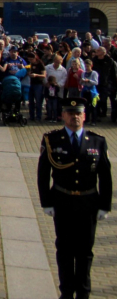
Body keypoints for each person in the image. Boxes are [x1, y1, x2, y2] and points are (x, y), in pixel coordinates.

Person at [38, 97, 112, 299]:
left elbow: (105, 176)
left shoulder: (98, 141)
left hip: (88, 204)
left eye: (78, 113)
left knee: (85, 251)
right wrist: (46, 202)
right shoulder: (52, 140)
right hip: (63, 202)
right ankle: (66, 291)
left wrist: (104, 205)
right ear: (63, 116)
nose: (75, 118)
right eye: (71, 114)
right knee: (64, 249)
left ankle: (83, 292)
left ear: (84, 116)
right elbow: (43, 174)